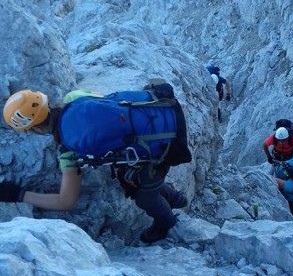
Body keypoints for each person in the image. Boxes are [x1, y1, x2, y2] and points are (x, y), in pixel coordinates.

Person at [1, 87, 189, 244]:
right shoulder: (74, 98)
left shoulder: (69, 152)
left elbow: (66, 201)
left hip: (161, 145)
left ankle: (167, 223)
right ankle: (176, 198)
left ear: (34, 128)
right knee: (142, 181)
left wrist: (19, 194)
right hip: (161, 109)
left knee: (144, 198)